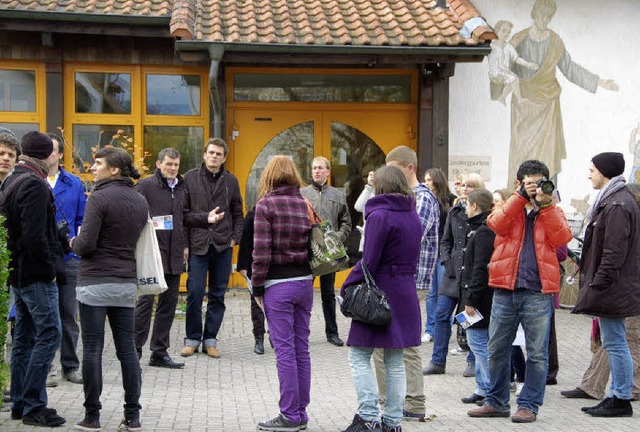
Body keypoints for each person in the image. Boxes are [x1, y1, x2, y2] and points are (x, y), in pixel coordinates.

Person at [467, 159, 572, 423]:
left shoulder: (551, 209)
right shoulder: (508, 207)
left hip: (537, 291)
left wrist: (546, 205)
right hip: (504, 288)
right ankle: (496, 401)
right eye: (529, 184)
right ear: (518, 184)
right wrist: (519, 198)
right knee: (497, 348)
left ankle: (529, 405)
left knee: (537, 353)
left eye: (539, 183)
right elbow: (495, 225)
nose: (534, 189)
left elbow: (561, 239)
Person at [71, 146, 148, 431]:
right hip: (126, 283)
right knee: (127, 349)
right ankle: (133, 415)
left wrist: (71, 242)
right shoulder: (140, 200)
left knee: (92, 349)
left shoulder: (99, 198)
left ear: (114, 169)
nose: (92, 167)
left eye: (98, 163)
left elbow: (86, 245)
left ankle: (92, 416)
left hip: (94, 282)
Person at [341, 165, 423, 432]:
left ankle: (368, 416)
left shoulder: (379, 215)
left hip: (380, 292)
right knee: (395, 360)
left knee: (359, 355)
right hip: (405, 291)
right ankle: (392, 421)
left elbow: (370, 261)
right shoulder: (413, 214)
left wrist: (348, 283)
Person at [503, 0, 618, 182]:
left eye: (548, 17)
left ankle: (549, 196)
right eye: (541, 16)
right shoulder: (518, 39)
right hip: (524, 106)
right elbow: (504, 67)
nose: (544, 20)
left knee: (548, 154)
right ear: (534, 15)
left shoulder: (555, 42)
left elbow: (570, 68)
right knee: (522, 153)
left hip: (548, 105)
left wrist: (599, 82)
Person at [1, 131, 65, 427]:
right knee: (49, 333)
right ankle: (33, 405)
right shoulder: (34, 184)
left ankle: (20, 402)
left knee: (24, 338)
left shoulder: (13, 179)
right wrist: (49, 270)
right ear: (47, 155)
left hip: (18, 273)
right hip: (35, 275)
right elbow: (34, 236)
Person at [572, 152, 640, 417]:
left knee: (616, 342)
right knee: (613, 341)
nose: (589, 174)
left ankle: (621, 397)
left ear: (605, 171)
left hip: (614, 286)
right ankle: (616, 395)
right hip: (613, 284)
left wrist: (598, 283)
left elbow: (614, 251)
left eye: (592, 170)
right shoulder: (613, 200)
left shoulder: (618, 205)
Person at [376, 146, 438, 422]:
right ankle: (399, 401)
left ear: (409, 168)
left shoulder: (421, 198)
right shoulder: (405, 199)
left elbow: (412, 237)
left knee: (400, 343)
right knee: (393, 342)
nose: (390, 175)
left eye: (394, 168)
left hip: (408, 278)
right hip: (402, 277)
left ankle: (407, 402)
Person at [251, 156, 313, 431]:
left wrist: (257, 286)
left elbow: (261, 252)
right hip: (305, 282)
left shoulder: (265, 206)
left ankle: (289, 414)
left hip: (279, 284)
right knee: (302, 348)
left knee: (284, 350)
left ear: (269, 177)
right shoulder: (306, 204)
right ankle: (300, 412)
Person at [181, 138, 244, 358]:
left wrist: (234, 239)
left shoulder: (231, 181)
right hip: (198, 245)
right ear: (204, 154)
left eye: (219, 154)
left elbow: (238, 213)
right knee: (195, 293)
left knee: (218, 295)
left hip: (222, 246)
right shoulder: (189, 179)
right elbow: (184, 215)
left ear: (224, 158)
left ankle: (210, 340)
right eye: (211, 153)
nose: (214, 156)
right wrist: (187, 243)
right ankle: (191, 339)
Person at [423, 173, 484, 377]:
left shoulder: (484, 216)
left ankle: (472, 360)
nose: (465, 189)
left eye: (470, 186)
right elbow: (445, 240)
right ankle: (437, 361)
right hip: (452, 273)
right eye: (464, 185)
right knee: (441, 315)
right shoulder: (455, 211)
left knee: (469, 319)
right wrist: (446, 260)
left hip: (471, 275)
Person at [134, 148, 187, 369]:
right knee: (145, 303)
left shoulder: (183, 188)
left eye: (175, 165)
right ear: (158, 163)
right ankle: (133, 351)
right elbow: (134, 215)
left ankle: (159, 352)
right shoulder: (145, 186)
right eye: (168, 164)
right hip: (151, 254)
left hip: (174, 255)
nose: (172, 169)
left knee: (168, 305)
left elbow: (186, 218)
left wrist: (187, 244)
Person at [45, 133, 86, 385]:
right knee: (46, 315)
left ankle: (70, 366)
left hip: (69, 257)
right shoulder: (33, 180)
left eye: (52, 150)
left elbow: (82, 219)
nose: (47, 155)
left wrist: (77, 245)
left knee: (69, 314)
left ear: (60, 155)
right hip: (42, 258)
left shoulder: (74, 183)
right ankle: (46, 367)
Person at [301, 156, 351, 347]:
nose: (317, 171)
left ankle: (332, 333)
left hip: (330, 251)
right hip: (309, 251)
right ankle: (302, 332)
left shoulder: (338, 195)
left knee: (328, 294)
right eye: (314, 168)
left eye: (321, 168)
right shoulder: (302, 193)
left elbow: (347, 221)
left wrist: (337, 236)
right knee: (304, 293)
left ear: (328, 172)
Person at [459, 189, 496, 406]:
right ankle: (482, 388)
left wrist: (471, 299)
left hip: (481, 298)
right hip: (477, 295)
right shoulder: (479, 228)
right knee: (478, 342)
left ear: (474, 206)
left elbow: (479, 268)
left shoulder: (483, 231)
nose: (465, 209)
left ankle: (489, 387)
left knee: (479, 343)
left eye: (467, 205)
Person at [422, 168, 456, 343]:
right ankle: (430, 328)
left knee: (444, 291)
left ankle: (444, 327)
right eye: (425, 180)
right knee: (431, 292)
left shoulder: (449, 200)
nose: (427, 183)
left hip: (444, 252)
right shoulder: (425, 199)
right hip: (429, 252)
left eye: (429, 180)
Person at [236, 206, 267, 355]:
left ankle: (275, 335)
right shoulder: (254, 212)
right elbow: (245, 239)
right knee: (257, 303)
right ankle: (259, 338)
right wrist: (243, 265)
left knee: (275, 303)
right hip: (256, 264)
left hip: (276, 265)